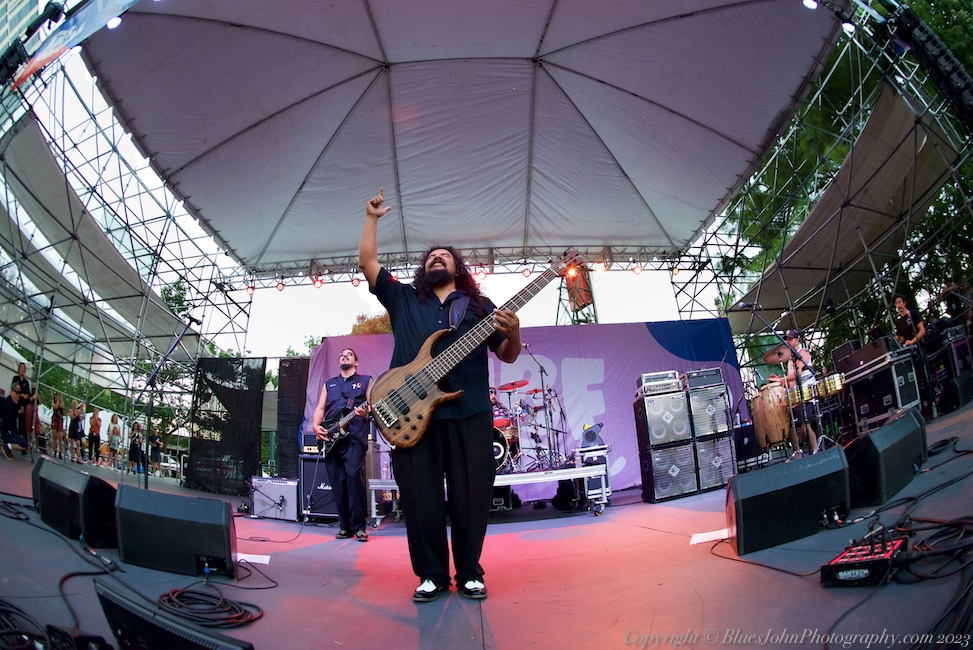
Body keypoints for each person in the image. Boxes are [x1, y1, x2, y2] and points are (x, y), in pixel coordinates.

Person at [359, 188, 522, 602]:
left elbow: (507, 353)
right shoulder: (403, 299)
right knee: (420, 498)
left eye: (444, 256)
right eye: (431, 256)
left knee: (472, 496)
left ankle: (469, 572)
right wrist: (372, 218)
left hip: (468, 412)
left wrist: (514, 331)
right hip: (410, 414)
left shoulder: (479, 306)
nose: (436, 258)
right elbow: (368, 263)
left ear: (458, 268)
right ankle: (430, 573)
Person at [311, 348, 373, 542]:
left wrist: (366, 411)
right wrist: (315, 426)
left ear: (356, 362)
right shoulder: (329, 384)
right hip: (331, 438)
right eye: (341, 355)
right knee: (338, 482)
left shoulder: (366, 380)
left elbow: (373, 404)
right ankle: (344, 526)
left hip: (354, 437)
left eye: (349, 354)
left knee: (354, 477)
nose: (344, 356)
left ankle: (359, 526)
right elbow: (320, 408)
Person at [768, 330, 818, 456]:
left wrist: (781, 379)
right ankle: (798, 453)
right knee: (790, 427)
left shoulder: (803, 353)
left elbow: (798, 375)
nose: (788, 341)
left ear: (797, 340)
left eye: (790, 339)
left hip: (806, 393)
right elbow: (790, 383)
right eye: (786, 339)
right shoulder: (790, 361)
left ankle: (816, 451)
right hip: (796, 395)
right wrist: (780, 381)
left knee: (805, 426)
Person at [1, 381, 30, 460]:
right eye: (16, 393)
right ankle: (7, 446)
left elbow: (23, 401)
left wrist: (32, 398)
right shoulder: (8, 404)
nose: (18, 395)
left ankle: (8, 445)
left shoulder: (14, 402)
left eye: (19, 393)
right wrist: (18, 433)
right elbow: (11, 423)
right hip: (7, 431)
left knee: (23, 441)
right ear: (11, 392)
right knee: (24, 445)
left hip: (9, 430)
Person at [50, 392, 66, 459]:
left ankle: (60, 452)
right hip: (55, 420)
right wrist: (58, 401)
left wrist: (61, 399)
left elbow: (63, 406)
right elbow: (55, 407)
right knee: (54, 436)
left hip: (60, 421)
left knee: (60, 437)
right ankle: (55, 450)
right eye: (56, 397)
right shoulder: (53, 404)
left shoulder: (60, 404)